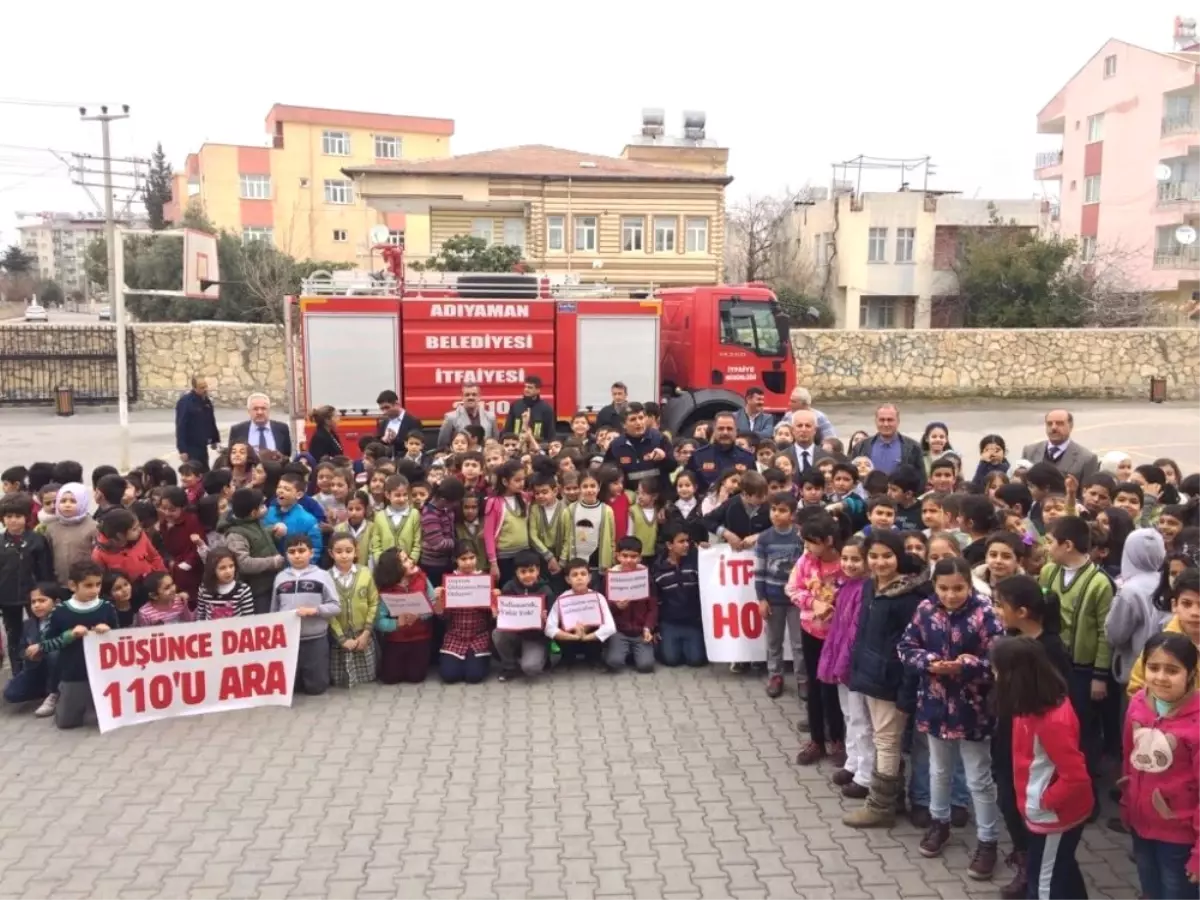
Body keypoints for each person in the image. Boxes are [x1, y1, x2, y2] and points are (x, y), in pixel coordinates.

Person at [897, 556, 1004, 879]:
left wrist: (966, 666)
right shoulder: (925, 610)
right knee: (938, 770)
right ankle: (938, 823)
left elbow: (999, 660)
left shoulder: (985, 612)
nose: (951, 595)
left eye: (958, 588)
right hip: (934, 703)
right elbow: (904, 647)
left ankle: (988, 842)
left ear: (970, 585)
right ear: (934, 586)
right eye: (943, 588)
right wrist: (929, 661)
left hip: (974, 708)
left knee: (978, 778)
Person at [843, 529, 934, 828]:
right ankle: (892, 798)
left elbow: (910, 650)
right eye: (874, 556)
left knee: (887, 741)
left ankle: (880, 806)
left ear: (899, 556)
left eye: (887, 556)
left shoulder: (907, 598)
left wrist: (906, 693)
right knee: (884, 739)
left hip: (890, 681)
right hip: (870, 674)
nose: (880, 562)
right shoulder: (873, 586)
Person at [992, 636, 1093, 900]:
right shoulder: (1028, 706)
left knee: (1043, 883)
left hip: (1054, 817)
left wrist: (1044, 802)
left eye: (998, 671)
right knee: (1064, 870)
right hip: (1043, 812)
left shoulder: (1051, 721)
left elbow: (1076, 776)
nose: (994, 676)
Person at [1122, 631, 1200, 900]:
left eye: (1172, 670)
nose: (1160, 677)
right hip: (1140, 824)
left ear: (1190, 673)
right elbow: (1128, 760)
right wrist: (1126, 804)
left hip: (1179, 834)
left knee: (1177, 891)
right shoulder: (1137, 705)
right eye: (1153, 668)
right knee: (1150, 889)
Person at [788, 511, 847, 764]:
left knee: (832, 688)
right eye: (805, 542)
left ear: (829, 540)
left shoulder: (846, 564)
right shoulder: (805, 561)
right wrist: (812, 603)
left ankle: (838, 739)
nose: (808, 547)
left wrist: (834, 608)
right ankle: (816, 740)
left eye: (812, 542)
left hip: (838, 636)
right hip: (811, 631)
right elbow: (792, 588)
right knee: (814, 686)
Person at [271, 534, 340, 696]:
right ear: (286, 555)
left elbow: (336, 606)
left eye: (301, 550)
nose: (297, 555)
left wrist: (315, 610)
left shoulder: (322, 575)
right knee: (291, 688)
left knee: (316, 688)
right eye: (292, 551)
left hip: (315, 638)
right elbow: (274, 609)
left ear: (311, 552)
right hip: (289, 640)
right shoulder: (280, 578)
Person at [0, 492, 52, 674]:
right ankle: (18, 672)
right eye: (8, 517)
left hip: (34, 596)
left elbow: (45, 569)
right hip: (7, 598)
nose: (13, 521)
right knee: (13, 635)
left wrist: (45, 592)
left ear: (26, 518)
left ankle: (41, 670)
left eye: (18, 516)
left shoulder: (37, 540)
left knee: (39, 631)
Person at [375, 547, 436, 684]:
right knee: (390, 678)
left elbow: (433, 605)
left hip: (421, 637)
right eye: (405, 560)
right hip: (396, 639)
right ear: (394, 569)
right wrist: (396, 624)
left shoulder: (422, 578)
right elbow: (379, 621)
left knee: (416, 677)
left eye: (408, 557)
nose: (411, 561)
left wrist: (419, 616)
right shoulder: (386, 590)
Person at [436, 542, 494, 684]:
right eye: (463, 559)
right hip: (455, 636)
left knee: (474, 677)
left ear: (477, 558)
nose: (468, 563)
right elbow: (442, 615)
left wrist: (495, 601)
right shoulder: (450, 581)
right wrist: (438, 599)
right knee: (449, 676)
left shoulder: (484, 580)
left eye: (471, 557)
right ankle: (459, 662)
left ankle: (477, 661)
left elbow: (493, 615)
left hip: (479, 637)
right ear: (456, 560)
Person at [327, 533, 380, 688]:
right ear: (331, 553)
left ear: (356, 552)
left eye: (348, 551)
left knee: (367, 678)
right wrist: (342, 639)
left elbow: (374, 602)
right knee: (340, 679)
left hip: (362, 634)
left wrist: (366, 633)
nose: (344, 555)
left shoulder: (365, 573)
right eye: (339, 551)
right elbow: (328, 612)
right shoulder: (326, 577)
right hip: (340, 637)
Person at [493, 549, 552, 681]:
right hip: (514, 634)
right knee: (498, 633)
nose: (527, 575)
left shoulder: (546, 590)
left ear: (538, 570)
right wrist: (497, 612)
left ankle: (542, 656)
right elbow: (503, 617)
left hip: (535, 637)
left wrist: (545, 620)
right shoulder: (509, 587)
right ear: (516, 572)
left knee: (531, 668)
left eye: (531, 571)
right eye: (523, 572)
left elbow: (553, 623)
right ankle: (509, 666)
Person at [653, 524, 706, 667]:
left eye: (687, 541)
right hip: (670, 623)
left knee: (696, 660)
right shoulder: (658, 570)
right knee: (671, 660)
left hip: (692, 623)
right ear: (669, 545)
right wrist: (655, 628)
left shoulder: (695, 565)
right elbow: (655, 602)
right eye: (681, 542)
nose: (686, 545)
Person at [603, 536, 657, 673]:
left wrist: (648, 627)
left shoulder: (646, 577)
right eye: (624, 556)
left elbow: (652, 607)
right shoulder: (610, 577)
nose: (628, 560)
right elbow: (602, 605)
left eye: (633, 557)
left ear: (640, 558)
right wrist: (616, 606)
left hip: (640, 632)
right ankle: (620, 651)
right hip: (619, 631)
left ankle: (634, 653)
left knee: (646, 666)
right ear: (617, 556)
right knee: (614, 663)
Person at [604, 403, 675, 487]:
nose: (638, 422)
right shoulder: (616, 445)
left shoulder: (659, 438)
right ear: (623, 424)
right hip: (629, 493)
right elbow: (607, 473)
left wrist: (664, 457)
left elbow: (673, 466)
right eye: (633, 419)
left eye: (641, 418)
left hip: (657, 492)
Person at [1020, 409, 1100, 482]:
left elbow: (1086, 494)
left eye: (1059, 423)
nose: (1054, 427)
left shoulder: (1087, 459)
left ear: (1071, 426)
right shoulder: (1029, 451)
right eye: (1049, 424)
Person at [686, 411, 755, 494]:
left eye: (729, 429)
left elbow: (753, 489)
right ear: (714, 431)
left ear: (736, 431)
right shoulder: (698, 456)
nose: (725, 432)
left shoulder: (748, 458)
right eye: (721, 428)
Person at [848, 405, 924, 476]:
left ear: (898, 421)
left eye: (890, 420)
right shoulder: (861, 447)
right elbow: (852, 476)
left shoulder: (913, 448)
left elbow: (921, 478)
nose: (886, 424)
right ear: (876, 421)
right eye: (882, 420)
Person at [174, 376, 221, 472]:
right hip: (190, 446)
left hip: (202, 446)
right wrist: (182, 450)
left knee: (205, 472)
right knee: (193, 473)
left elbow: (211, 420)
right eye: (202, 388)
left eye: (205, 386)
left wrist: (214, 439)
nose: (205, 390)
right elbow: (181, 426)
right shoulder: (185, 402)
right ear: (195, 388)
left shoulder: (206, 401)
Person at [194, 548, 256, 620]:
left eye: (231, 566)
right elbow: (201, 616)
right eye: (222, 568)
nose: (228, 571)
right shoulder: (204, 589)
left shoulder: (243, 589)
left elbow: (248, 619)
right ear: (212, 570)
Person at [228, 392, 293, 458]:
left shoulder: (282, 429)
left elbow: (287, 455)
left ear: (269, 410)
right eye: (255, 409)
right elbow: (231, 456)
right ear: (249, 411)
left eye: (263, 408)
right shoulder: (237, 430)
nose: (260, 412)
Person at [437, 383, 499, 449]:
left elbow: (496, 442)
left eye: (474, 395)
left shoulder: (490, 417)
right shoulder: (450, 418)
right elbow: (442, 445)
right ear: (462, 397)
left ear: (479, 397)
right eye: (467, 395)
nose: (471, 397)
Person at [503, 375, 556, 442]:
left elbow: (550, 434)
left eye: (530, 387)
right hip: (517, 445)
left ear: (538, 390)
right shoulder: (516, 405)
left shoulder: (546, 409)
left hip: (537, 446)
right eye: (525, 387)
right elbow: (507, 429)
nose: (526, 389)